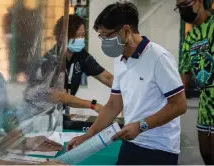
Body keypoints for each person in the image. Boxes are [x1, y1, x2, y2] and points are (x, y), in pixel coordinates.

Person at [67, 2, 187, 165]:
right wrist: (86, 137)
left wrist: (141, 126)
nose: (104, 41)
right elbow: (113, 105)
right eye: (101, 36)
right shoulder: (121, 59)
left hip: (158, 149)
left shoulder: (159, 57)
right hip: (131, 144)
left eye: (107, 36)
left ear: (125, 31)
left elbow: (179, 105)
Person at [40, 14, 113, 114]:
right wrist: (93, 105)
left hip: (59, 113)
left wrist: (129, 91)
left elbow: (107, 78)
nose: (80, 39)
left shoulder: (81, 55)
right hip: (39, 114)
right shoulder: (50, 60)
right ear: (62, 36)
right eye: (76, 35)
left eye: (82, 35)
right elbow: (59, 96)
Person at [176, 0, 214, 164]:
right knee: (206, 154)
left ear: (198, 2)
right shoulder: (190, 38)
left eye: (184, 4)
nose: (182, 10)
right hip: (205, 104)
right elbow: (184, 76)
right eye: (178, 7)